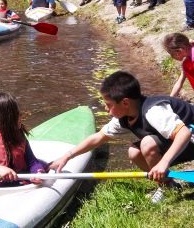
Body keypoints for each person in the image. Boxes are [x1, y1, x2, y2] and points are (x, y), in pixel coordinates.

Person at [50, 71, 194, 204]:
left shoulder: (153, 111)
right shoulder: (126, 116)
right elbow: (99, 137)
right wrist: (67, 156)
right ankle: (168, 184)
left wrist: (164, 163)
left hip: (189, 137)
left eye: (108, 105)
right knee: (133, 152)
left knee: (147, 144)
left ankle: (165, 183)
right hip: (185, 143)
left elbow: (184, 133)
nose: (106, 109)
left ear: (125, 103)